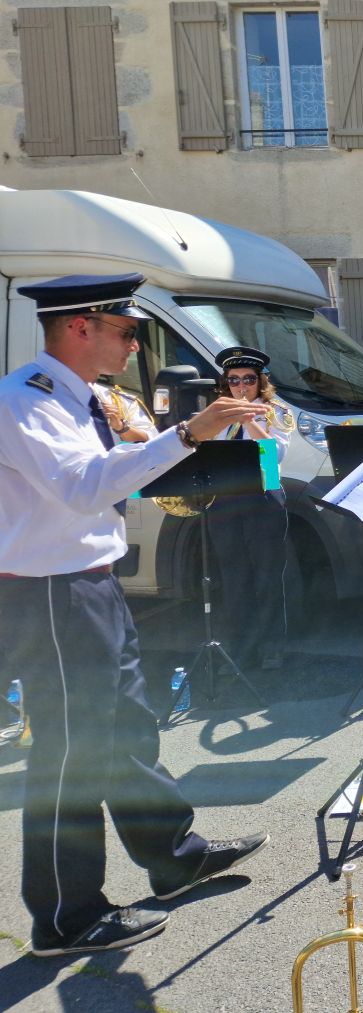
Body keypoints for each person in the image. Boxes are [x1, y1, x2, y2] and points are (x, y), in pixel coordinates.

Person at [0, 274, 268, 958]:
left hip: (88, 584)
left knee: (126, 729)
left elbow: (106, 471)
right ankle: (64, 915)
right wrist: (188, 431)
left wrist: (169, 438)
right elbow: (87, 487)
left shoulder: (79, 397)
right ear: (80, 327)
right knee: (72, 753)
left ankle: (172, 856)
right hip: (52, 594)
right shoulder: (24, 399)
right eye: (124, 330)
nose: (133, 342)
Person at [204, 346, 294, 670]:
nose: (241, 386)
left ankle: (272, 647)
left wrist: (249, 420)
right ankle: (240, 648)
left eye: (248, 380)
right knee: (233, 578)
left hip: (263, 497)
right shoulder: (218, 410)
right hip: (225, 500)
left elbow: (275, 458)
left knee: (267, 576)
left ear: (260, 381)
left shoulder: (276, 411)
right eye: (234, 380)